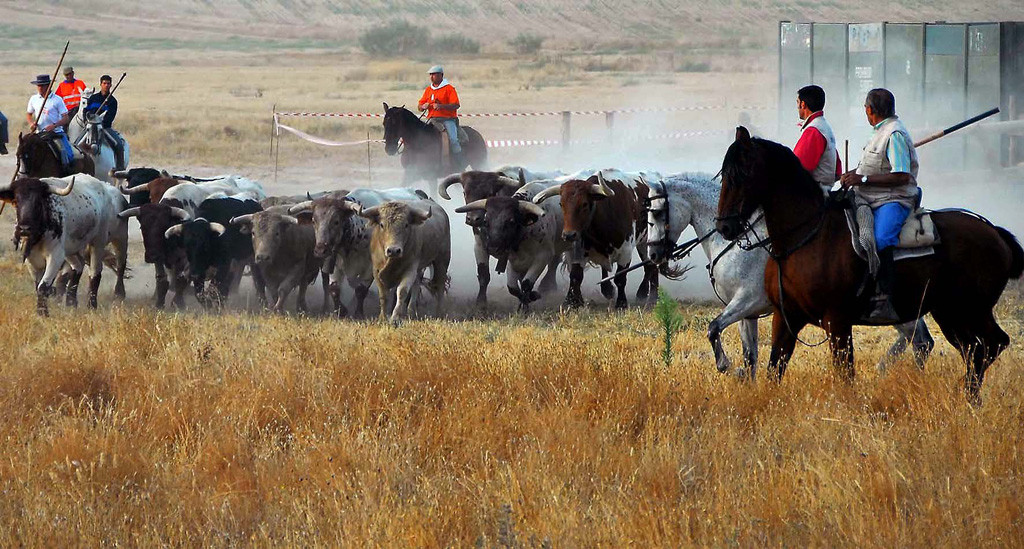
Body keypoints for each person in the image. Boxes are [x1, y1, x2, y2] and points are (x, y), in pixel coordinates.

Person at [840, 88, 919, 323]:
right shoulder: (879, 131)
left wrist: (862, 179)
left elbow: (902, 176)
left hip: (893, 198)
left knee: (882, 239)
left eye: (865, 108)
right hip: (870, 196)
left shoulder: (894, 134)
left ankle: (885, 298)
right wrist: (854, 174)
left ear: (870, 110)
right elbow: (874, 166)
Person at [792, 85, 842, 189]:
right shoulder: (824, 127)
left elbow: (797, 169)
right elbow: (837, 171)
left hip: (813, 195)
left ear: (803, 104)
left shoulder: (813, 130)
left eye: (797, 102)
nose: (797, 106)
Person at [26, 74, 74, 171]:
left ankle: (66, 171)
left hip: (56, 133)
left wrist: (54, 125)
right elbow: (29, 114)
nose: (39, 88)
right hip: (39, 133)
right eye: (38, 85)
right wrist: (32, 124)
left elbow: (66, 118)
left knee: (68, 154)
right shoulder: (34, 99)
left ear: (48, 86)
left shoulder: (57, 100)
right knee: (25, 150)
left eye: (42, 85)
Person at [417, 65, 462, 164]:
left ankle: (460, 162)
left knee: (453, 139)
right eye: (430, 75)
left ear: (441, 75)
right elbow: (419, 106)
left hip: (447, 119)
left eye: (434, 75)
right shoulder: (428, 90)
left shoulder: (449, 89)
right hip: (431, 119)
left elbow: (456, 105)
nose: (431, 77)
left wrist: (441, 106)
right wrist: (423, 106)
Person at [83, 74, 124, 169]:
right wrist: (87, 120)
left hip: (104, 128)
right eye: (104, 83)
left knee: (118, 144)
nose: (106, 85)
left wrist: (100, 123)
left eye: (108, 83)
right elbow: (86, 110)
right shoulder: (93, 98)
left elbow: (110, 117)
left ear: (111, 85)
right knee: (76, 143)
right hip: (90, 126)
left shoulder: (113, 101)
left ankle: (119, 169)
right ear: (100, 84)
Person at [54, 66, 86, 132]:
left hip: (80, 110)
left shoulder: (80, 83)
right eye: (66, 75)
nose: (68, 76)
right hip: (68, 112)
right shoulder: (61, 86)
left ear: (73, 73)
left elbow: (86, 96)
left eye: (69, 74)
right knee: (65, 127)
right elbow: (57, 100)